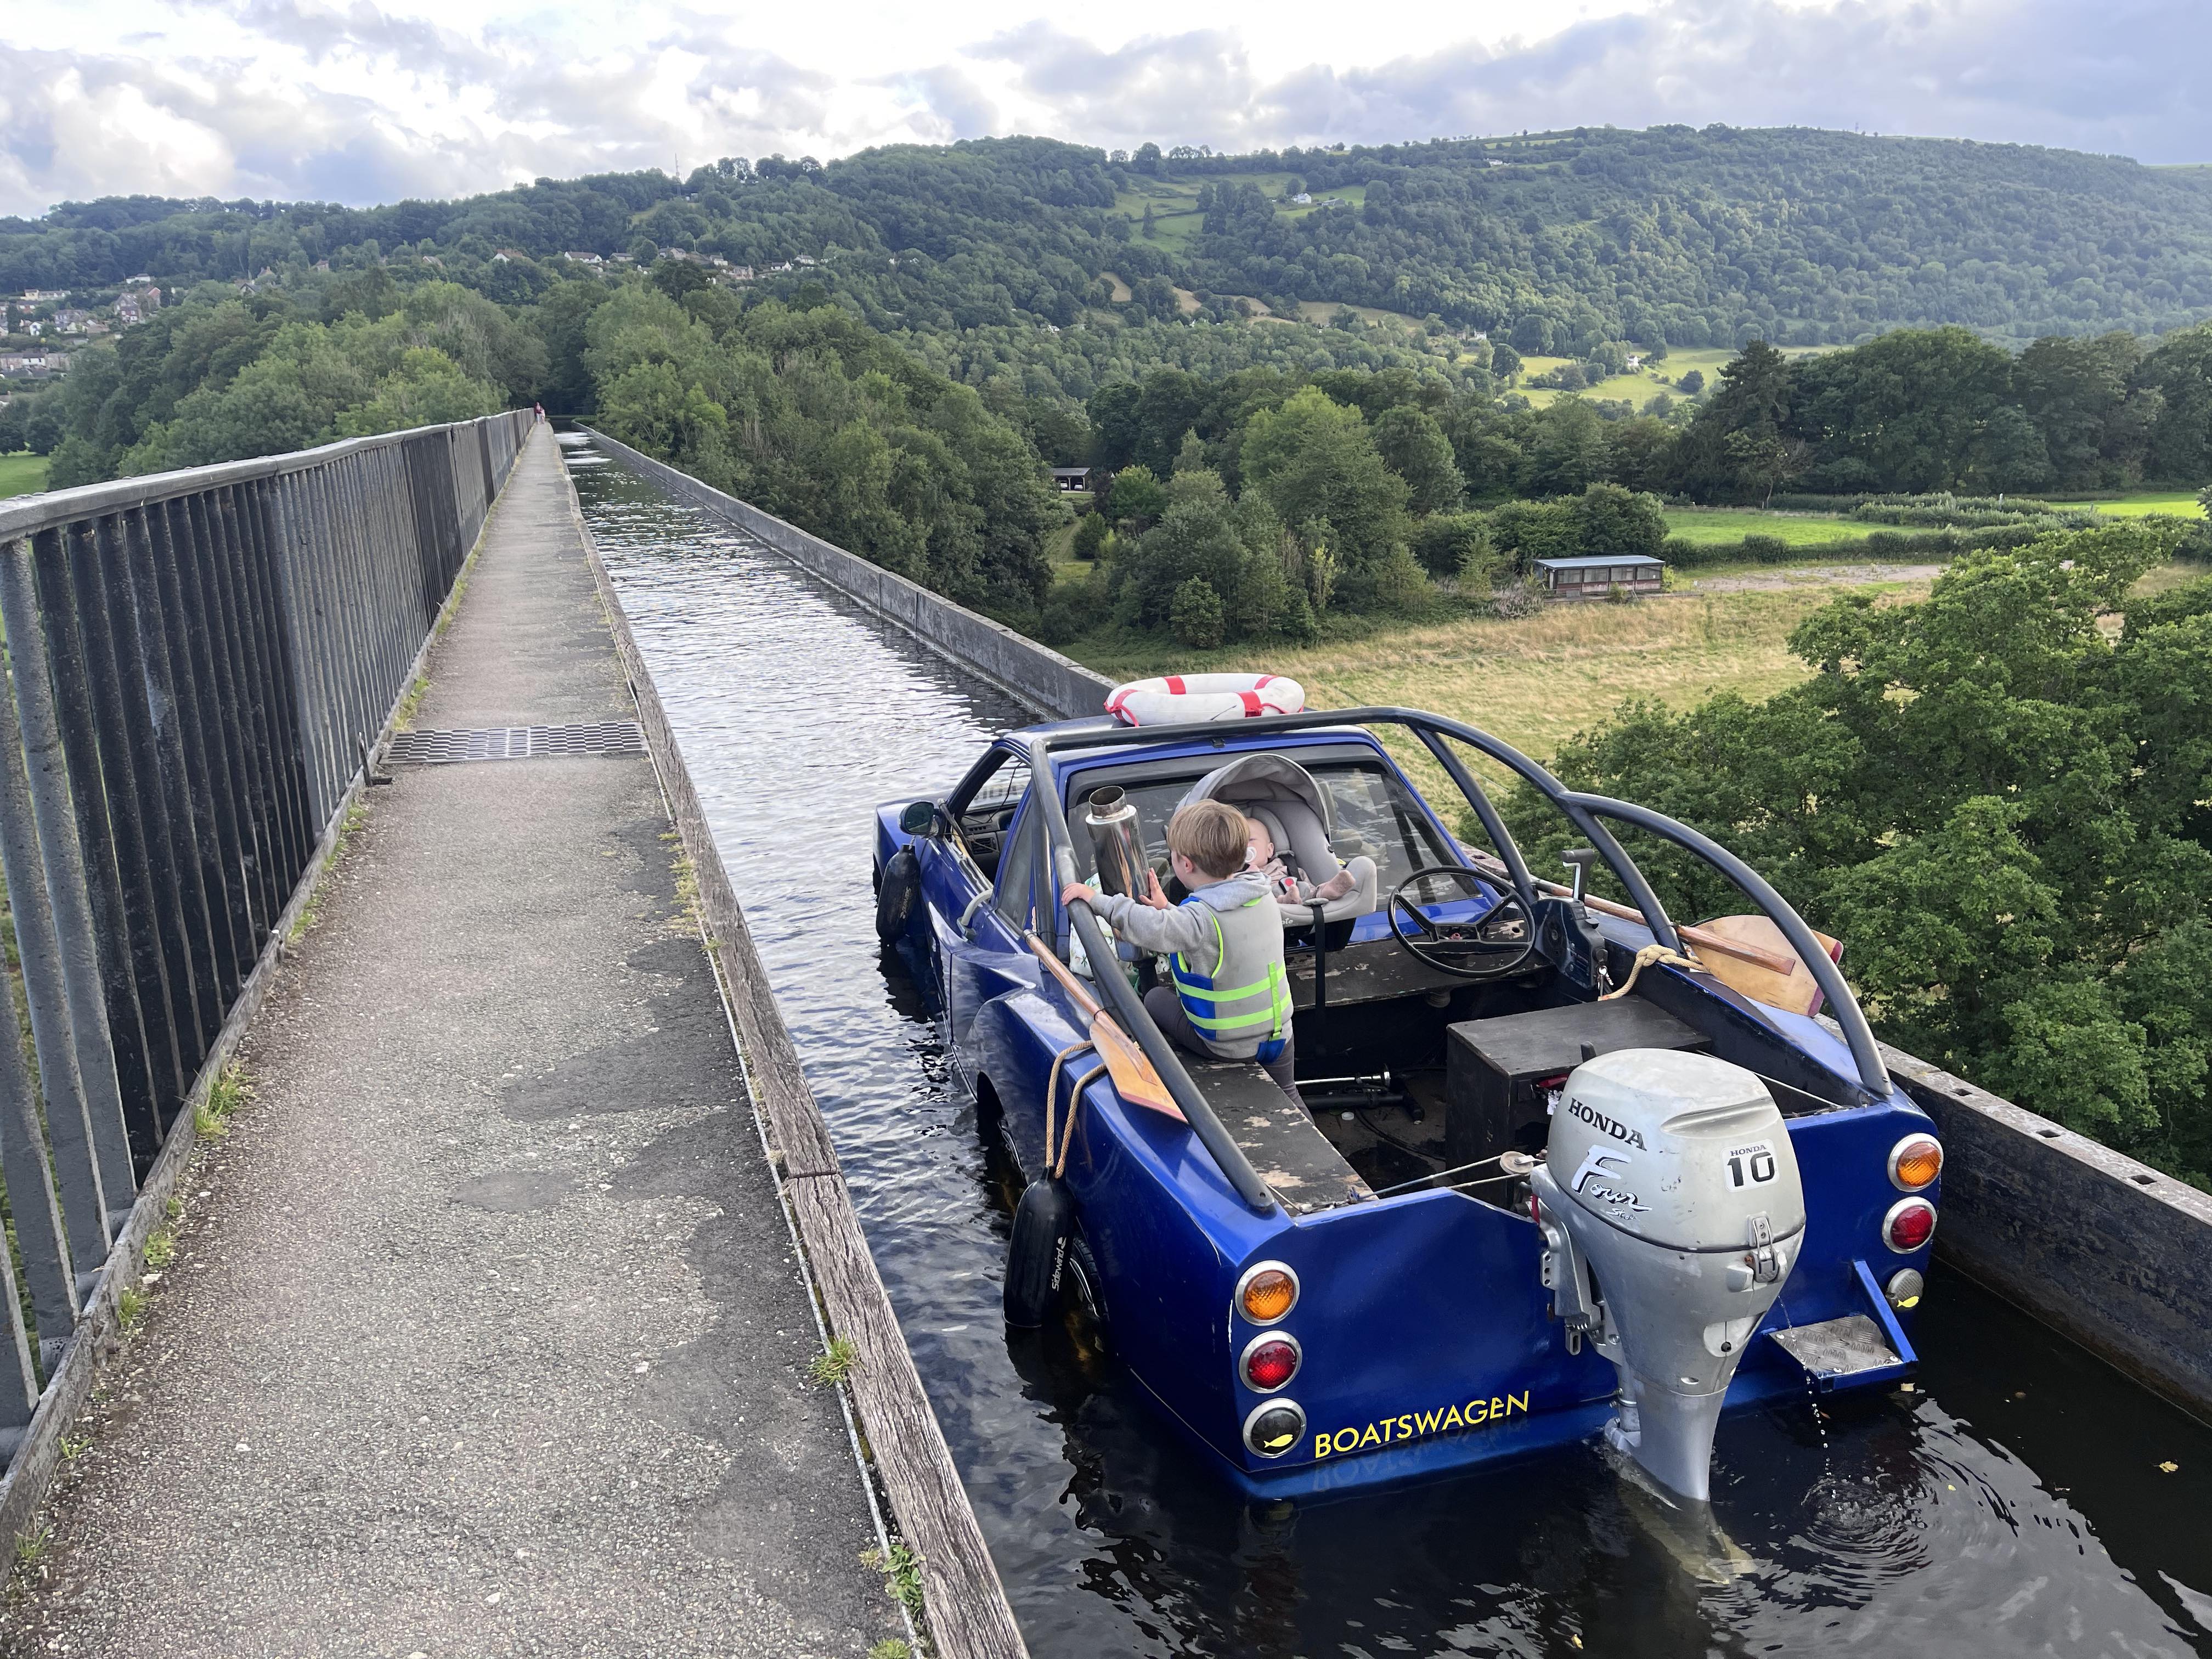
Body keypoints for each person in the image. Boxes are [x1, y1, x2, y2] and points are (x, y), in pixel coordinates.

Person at [1061, 798, 1301, 1104]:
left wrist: (1097, 900)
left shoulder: (1199, 920)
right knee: (1290, 1092)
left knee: (1154, 998)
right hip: (1281, 1034)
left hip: (1227, 1046)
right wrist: (1168, 909)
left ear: (1185, 864)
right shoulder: (1263, 892)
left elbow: (1150, 927)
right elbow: (1212, 928)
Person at [1245, 814, 1356, 907]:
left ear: (1269, 850)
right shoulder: (1236, 876)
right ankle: (1286, 901)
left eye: (1251, 840)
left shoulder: (1287, 868)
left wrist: (1311, 892)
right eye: (1236, 844)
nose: (1243, 846)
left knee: (1307, 889)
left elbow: (1305, 885)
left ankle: (1327, 891)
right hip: (1271, 906)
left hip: (1298, 895)